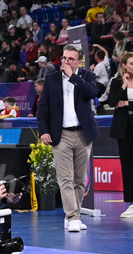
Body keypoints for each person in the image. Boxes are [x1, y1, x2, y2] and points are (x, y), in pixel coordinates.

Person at [37, 44, 100, 232]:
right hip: (61, 134)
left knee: (80, 180)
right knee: (65, 178)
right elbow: (43, 108)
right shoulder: (52, 79)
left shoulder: (87, 76)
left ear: (79, 61)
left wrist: (72, 77)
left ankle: (75, 215)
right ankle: (72, 216)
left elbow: (92, 93)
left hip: (83, 133)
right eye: (64, 58)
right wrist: (43, 131)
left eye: (70, 59)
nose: (66, 62)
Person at [105, 51, 133, 218]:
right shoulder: (117, 81)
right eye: (132, 63)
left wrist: (126, 103)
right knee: (127, 166)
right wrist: (124, 86)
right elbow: (111, 101)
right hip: (123, 127)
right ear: (124, 65)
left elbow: (128, 103)